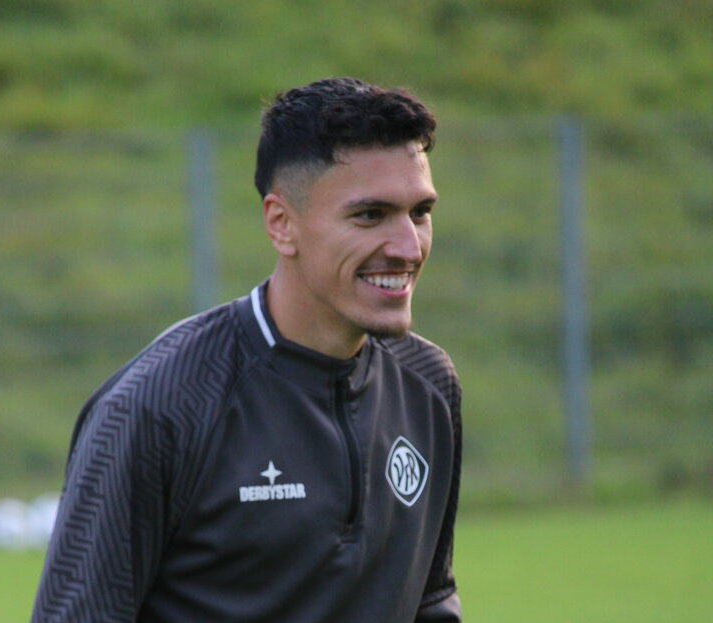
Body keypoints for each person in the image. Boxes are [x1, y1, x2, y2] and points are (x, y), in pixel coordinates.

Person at [31, 77, 462, 622]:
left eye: (420, 213)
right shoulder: (159, 404)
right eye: (370, 215)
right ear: (282, 224)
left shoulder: (429, 385)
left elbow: (430, 602)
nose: (407, 247)